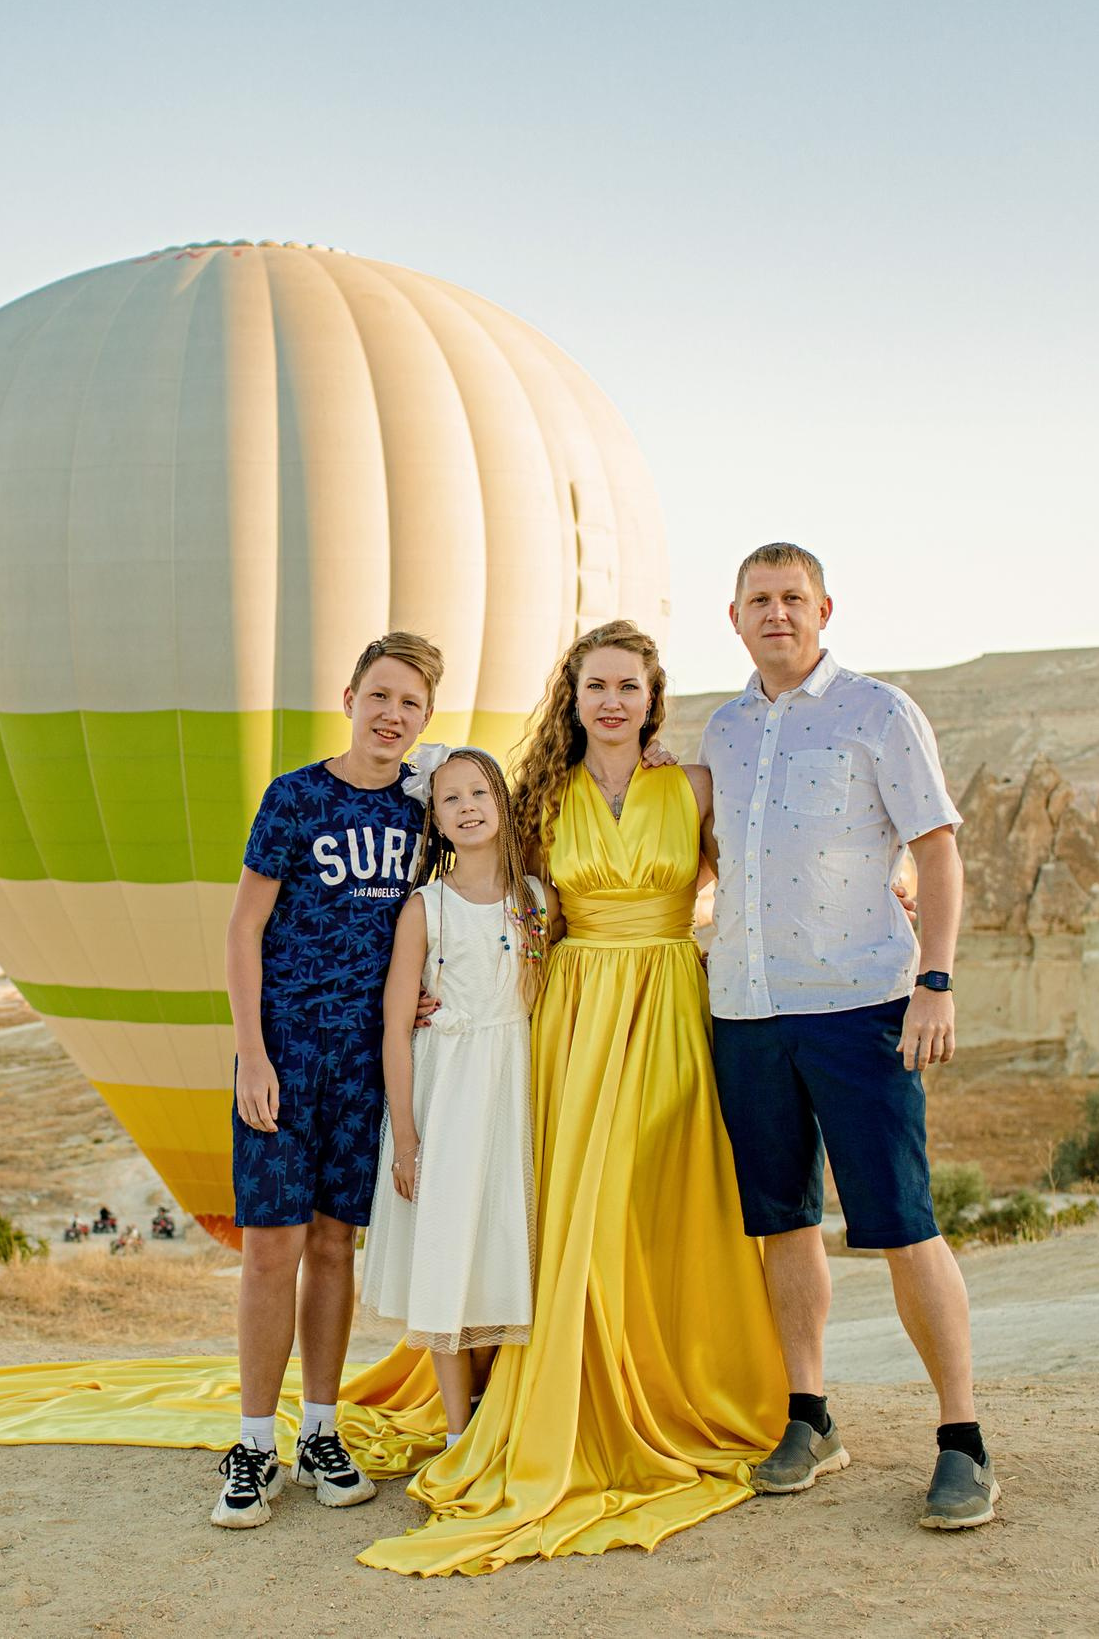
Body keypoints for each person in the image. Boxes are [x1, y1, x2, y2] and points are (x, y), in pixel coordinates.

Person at [356, 619, 786, 1576]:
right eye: (597, 685)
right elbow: (500, 901)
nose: (613, 702)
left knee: (654, 1196)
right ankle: (563, 1383)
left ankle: (678, 1375)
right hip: (575, 1012)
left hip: (671, 998)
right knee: (572, 1207)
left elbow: (745, 878)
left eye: (629, 686)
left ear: (652, 695)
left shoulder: (693, 785)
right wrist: (441, 991)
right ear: (573, 696)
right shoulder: (541, 797)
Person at [699, 542, 995, 1530]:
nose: (775, 612)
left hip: (861, 1003)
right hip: (744, 1007)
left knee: (901, 1223)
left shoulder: (878, 712)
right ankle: (810, 1414)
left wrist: (936, 982)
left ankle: (961, 1440)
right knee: (782, 1222)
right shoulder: (726, 730)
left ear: (824, 608)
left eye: (792, 598)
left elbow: (937, 855)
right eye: (758, 599)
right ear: (732, 616)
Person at [214, 630, 441, 1528]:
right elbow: (242, 932)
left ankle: (319, 1427)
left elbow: (446, 915)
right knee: (272, 1243)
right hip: (286, 1052)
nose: (392, 716)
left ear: (427, 718)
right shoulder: (295, 798)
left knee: (338, 1245)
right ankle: (252, 1443)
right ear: (350, 695)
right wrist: (253, 1053)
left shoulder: (422, 815)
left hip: (366, 1061)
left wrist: (425, 994)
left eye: (411, 704)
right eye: (380, 696)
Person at [359, 747, 544, 1447]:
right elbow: (396, 1029)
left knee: (502, 1240)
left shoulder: (535, 898)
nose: (467, 807)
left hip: (512, 1088)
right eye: (449, 799)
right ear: (434, 820)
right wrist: (406, 1137)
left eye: (478, 792)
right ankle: (458, 1431)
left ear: (501, 801)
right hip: (449, 1095)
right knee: (447, 1247)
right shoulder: (424, 907)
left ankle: (499, 1409)